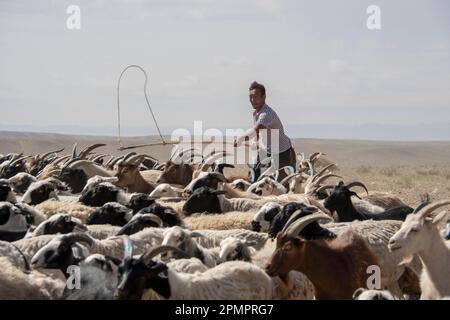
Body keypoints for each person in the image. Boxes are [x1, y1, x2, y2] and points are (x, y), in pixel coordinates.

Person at [234, 81, 296, 182]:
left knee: (282, 184)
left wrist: (240, 139)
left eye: (256, 97)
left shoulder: (266, 114)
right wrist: (257, 143)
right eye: (250, 97)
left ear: (263, 97)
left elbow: (255, 130)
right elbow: (259, 132)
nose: (252, 100)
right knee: (254, 177)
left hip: (282, 153)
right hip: (266, 150)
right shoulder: (255, 113)